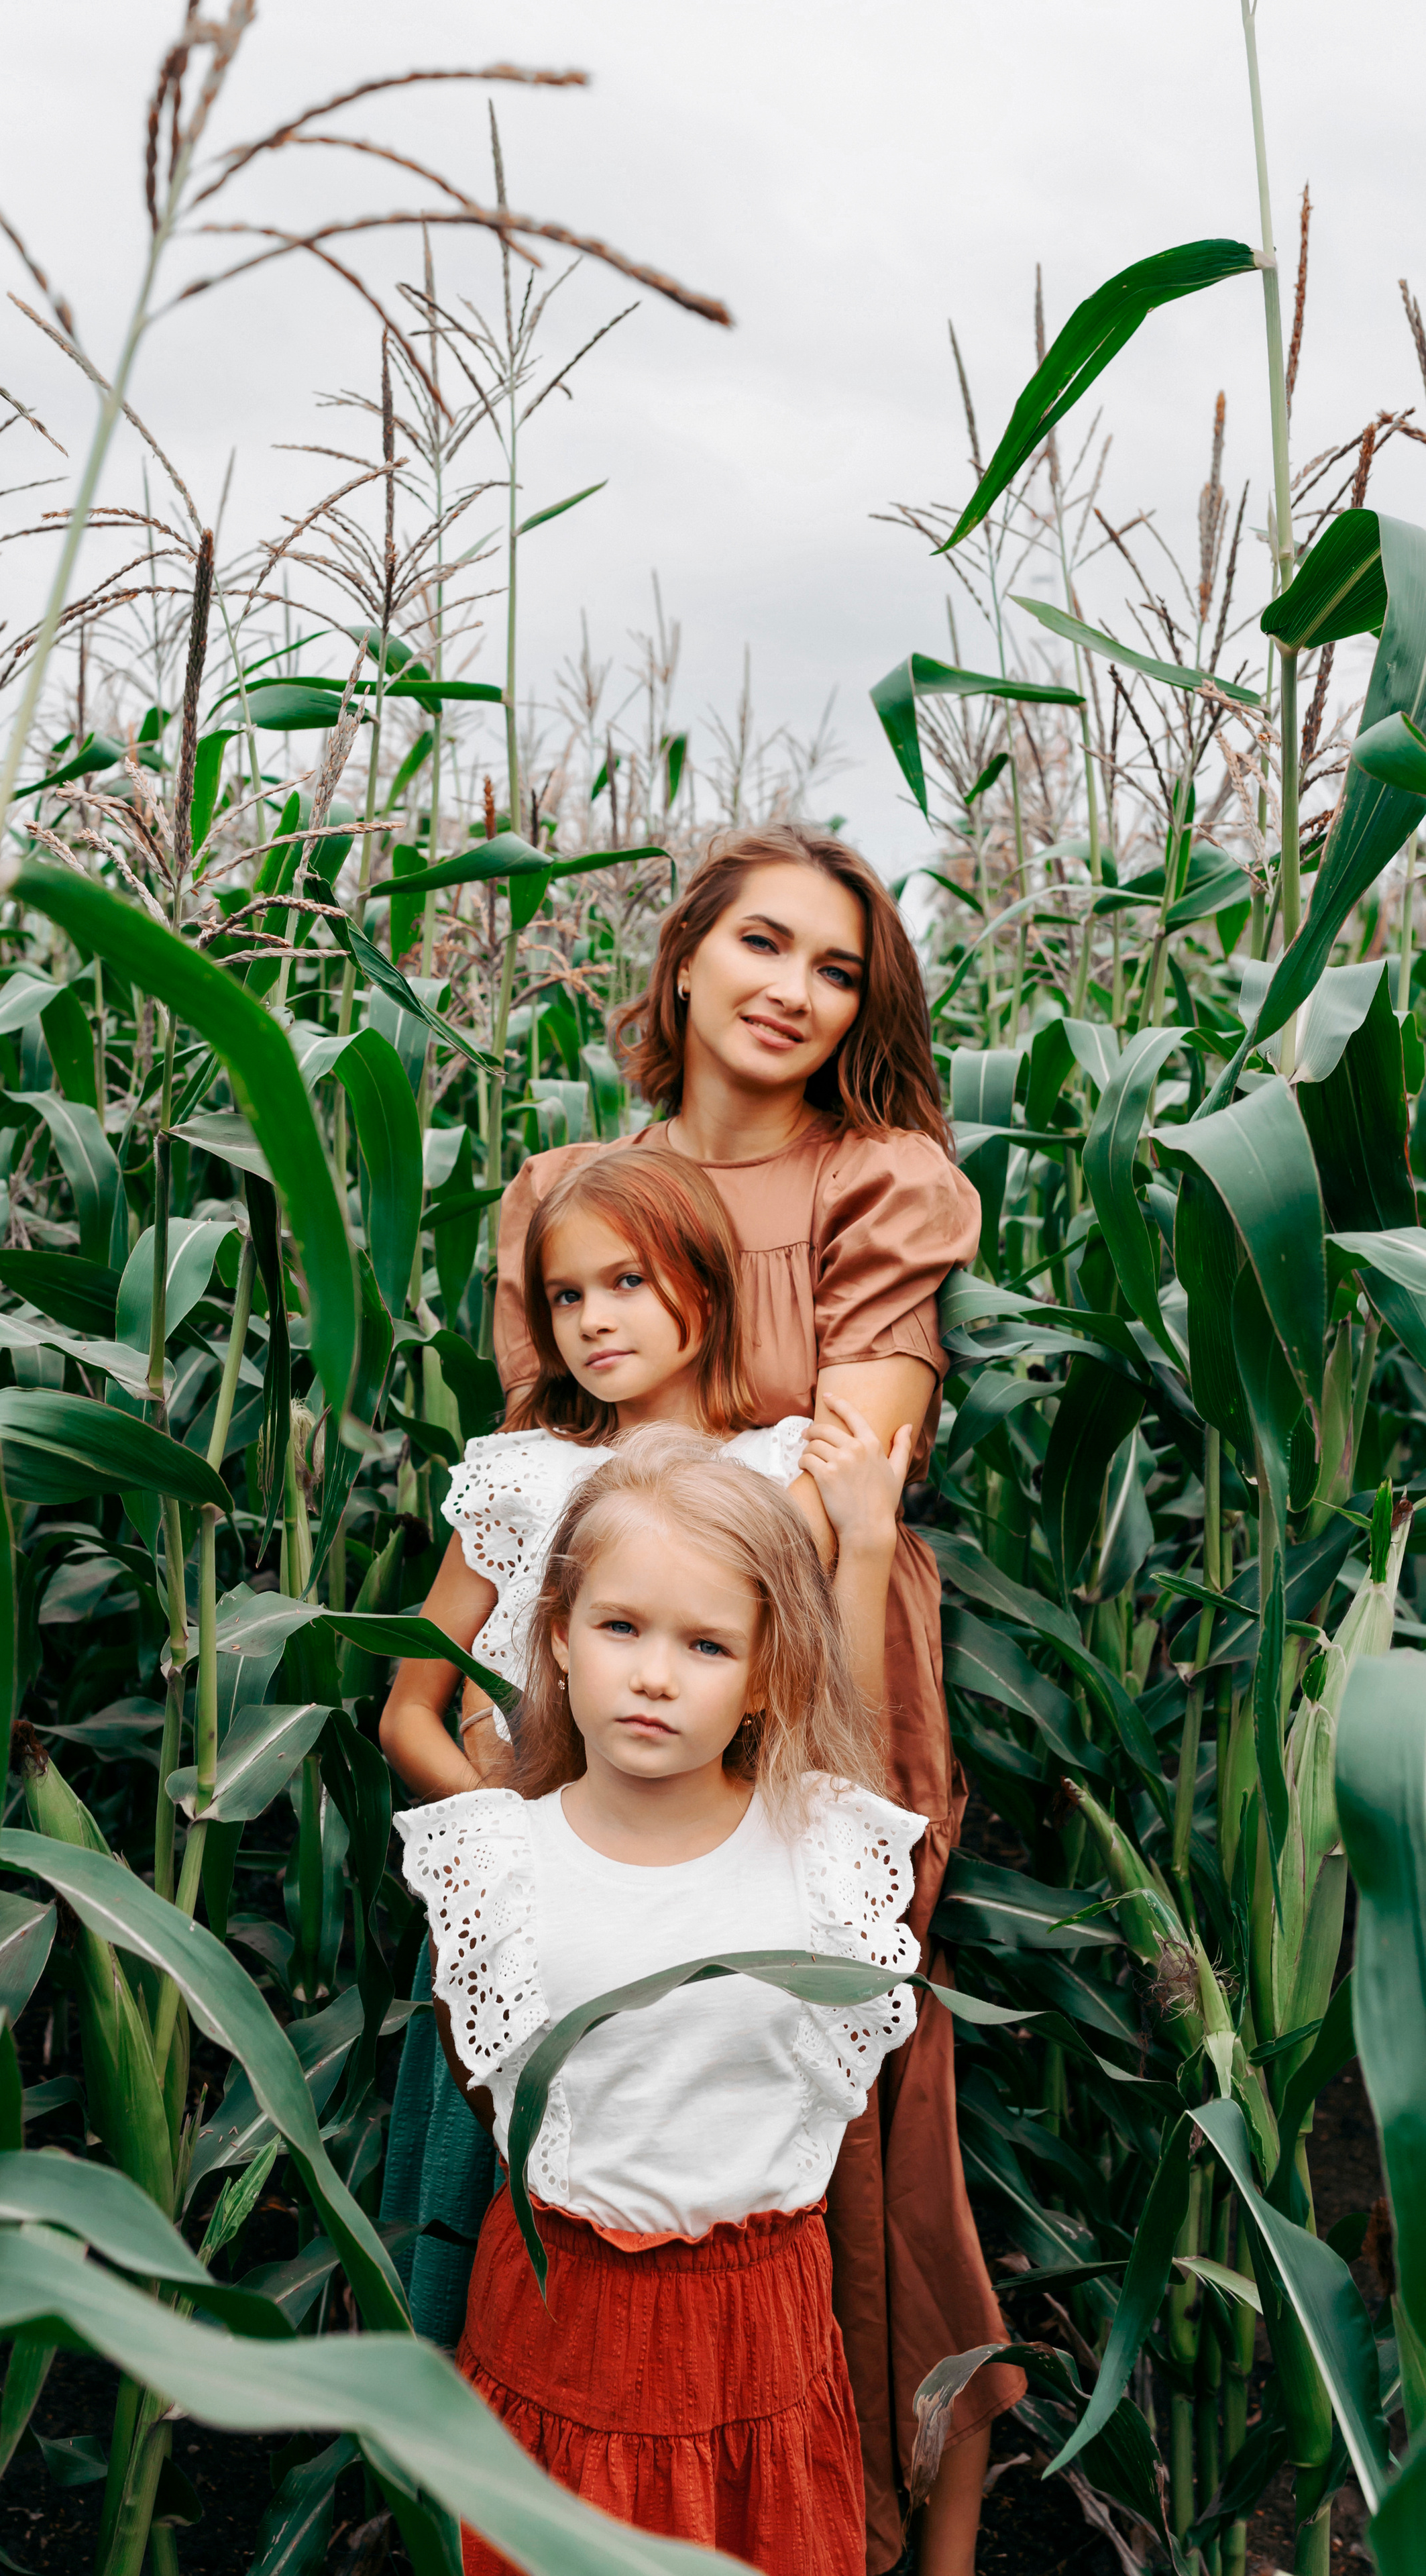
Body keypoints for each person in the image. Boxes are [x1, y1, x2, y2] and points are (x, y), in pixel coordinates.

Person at [491, 820, 1018, 2574]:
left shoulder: (884, 1183)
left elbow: (850, 1480)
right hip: (611, 1673)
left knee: (852, 2077)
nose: (796, 990)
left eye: (839, 968)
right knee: (633, 2077)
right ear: (688, 956)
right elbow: (533, 1472)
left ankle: (904, 2520)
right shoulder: (565, 1190)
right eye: (766, 945)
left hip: (825, 1666)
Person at [379, 1149, 904, 2340]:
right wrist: (510, 1851)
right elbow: (407, 1710)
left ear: (704, 1289)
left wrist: (866, 1546)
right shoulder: (517, 1481)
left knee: (673, 2263)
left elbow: (830, 1745)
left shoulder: (778, 1474)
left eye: (626, 1282)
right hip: (536, 1936)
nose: (592, 1320)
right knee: (490, 2250)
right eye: (564, 1297)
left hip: (708, 1933)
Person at [395, 1430, 926, 2576]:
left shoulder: (824, 1855)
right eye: (621, 1627)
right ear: (558, 1641)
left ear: (766, 1677)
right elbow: (489, 2084)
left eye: (707, 1644)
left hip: (761, 2331)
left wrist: (870, 1540)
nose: (653, 1674)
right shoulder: (493, 1860)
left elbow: (861, 1792)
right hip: (562, 2317)